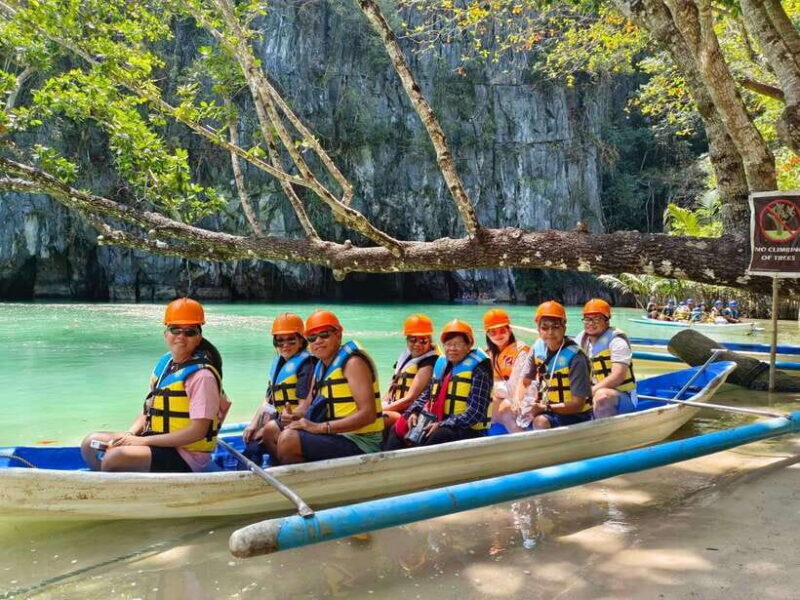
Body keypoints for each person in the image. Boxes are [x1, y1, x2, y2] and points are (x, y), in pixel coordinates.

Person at [81, 298, 230, 472]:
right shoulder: (166, 363)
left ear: (198, 338)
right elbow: (148, 411)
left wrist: (143, 441)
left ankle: (120, 490)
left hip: (187, 455)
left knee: (114, 457)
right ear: (165, 333)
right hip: (157, 442)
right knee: (89, 444)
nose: (181, 337)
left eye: (189, 332)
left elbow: (198, 432)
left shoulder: (202, 376)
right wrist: (130, 435)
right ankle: (109, 486)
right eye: (175, 330)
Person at [272, 310, 383, 464]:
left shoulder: (353, 363)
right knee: (273, 430)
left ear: (338, 334)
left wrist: (319, 428)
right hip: (335, 435)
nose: (317, 341)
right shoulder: (320, 365)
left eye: (324, 335)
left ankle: (303, 484)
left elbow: (368, 415)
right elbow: (306, 408)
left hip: (360, 441)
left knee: (288, 439)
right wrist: (291, 416)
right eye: (312, 338)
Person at [383, 319, 493, 449]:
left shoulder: (479, 369)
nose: (452, 349)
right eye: (448, 344)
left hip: (467, 428)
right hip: (438, 419)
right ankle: (390, 464)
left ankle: (422, 466)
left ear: (469, 345)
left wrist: (444, 424)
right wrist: (414, 412)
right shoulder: (442, 364)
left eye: (457, 344)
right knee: (399, 427)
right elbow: (427, 394)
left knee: (438, 435)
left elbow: (476, 412)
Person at [242, 312, 317, 466]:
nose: (285, 345)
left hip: (299, 422)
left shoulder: (306, 365)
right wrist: (254, 424)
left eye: (291, 340)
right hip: (278, 419)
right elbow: (267, 400)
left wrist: (269, 427)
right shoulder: (279, 363)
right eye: (280, 341)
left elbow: (305, 406)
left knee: (259, 443)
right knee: (251, 446)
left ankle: (281, 467)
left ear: (301, 340)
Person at [512, 301, 592, 430]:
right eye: (544, 328)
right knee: (515, 415)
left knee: (540, 422)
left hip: (576, 414)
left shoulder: (576, 357)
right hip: (548, 408)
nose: (550, 332)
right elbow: (525, 381)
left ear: (564, 329)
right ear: (538, 330)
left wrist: (543, 408)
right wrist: (518, 402)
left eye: (556, 327)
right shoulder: (537, 348)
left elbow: (578, 404)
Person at [574, 299, 637, 418]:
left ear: (607, 321)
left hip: (622, 397)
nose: (591, 323)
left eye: (596, 319)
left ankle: (603, 433)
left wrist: (589, 393)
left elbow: (618, 376)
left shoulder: (617, 342)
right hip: (592, 394)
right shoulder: (581, 340)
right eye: (587, 319)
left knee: (602, 396)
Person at [382, 314, 439, 430]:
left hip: (409, 413)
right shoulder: (406, 356)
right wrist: (381, 403)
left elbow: (409, 400)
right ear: (407, 339)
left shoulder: (428, 363)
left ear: (429, 340)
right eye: (413, 340)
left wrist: (380, 410)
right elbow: (391, 388)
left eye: (423, 340)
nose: (417, 344)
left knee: (374, 418)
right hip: (395, 406)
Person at [482, 308, 529, 426]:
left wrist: (494, 389)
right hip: (504, 397)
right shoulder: (488, 354)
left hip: (523, 398)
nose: (498, 335)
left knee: (502, 408)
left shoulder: (521, 352)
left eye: (502, 330)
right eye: (493, 332)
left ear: (509, 329)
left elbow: (517, 388)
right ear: (487, 334)